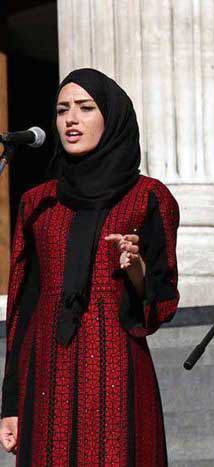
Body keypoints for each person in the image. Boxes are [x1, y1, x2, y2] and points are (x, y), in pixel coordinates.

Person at [0, 69, 179, 465]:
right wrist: (10, 400)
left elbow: (161, 303)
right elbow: (23, 308)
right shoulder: (38, 203)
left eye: (85, 108)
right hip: (47, 370)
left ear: (111, 117)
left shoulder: (149, 198)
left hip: (116, 367)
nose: (71, 120)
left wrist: (136, 270)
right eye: (62, 110)